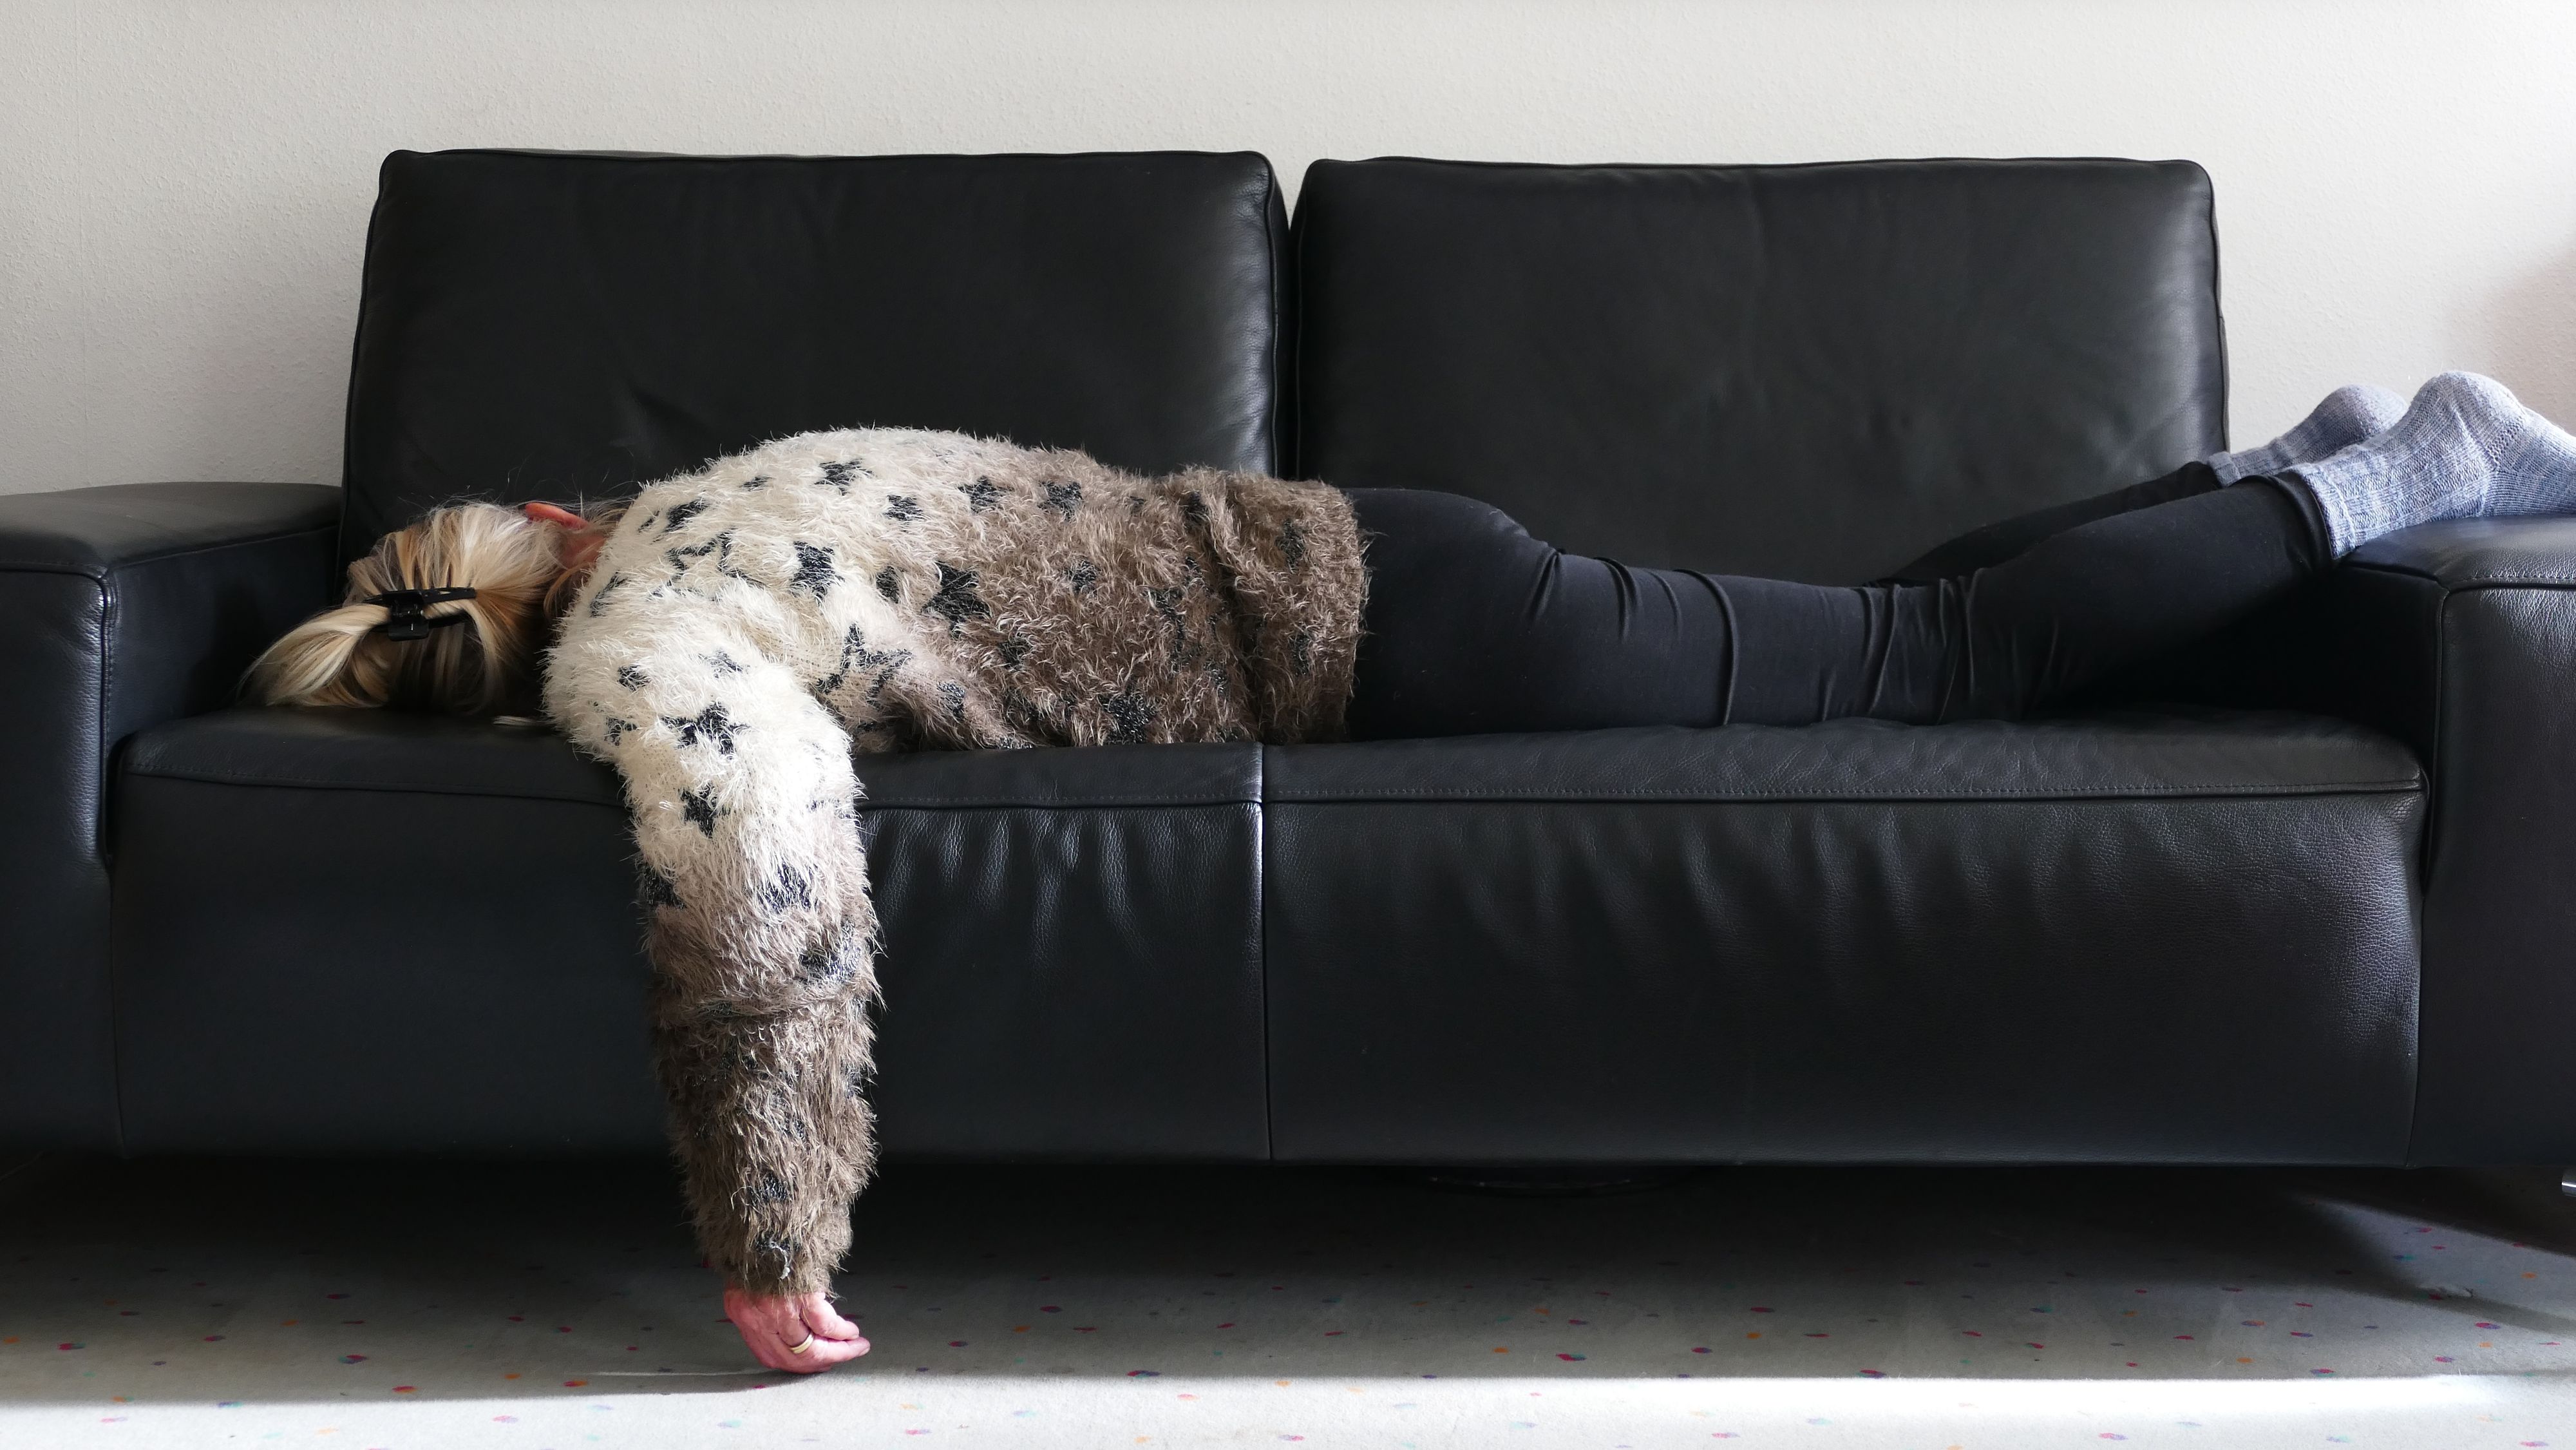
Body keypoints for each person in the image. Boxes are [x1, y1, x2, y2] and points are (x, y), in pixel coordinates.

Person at [245, 370, 2576, 1372]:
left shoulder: (645, 626)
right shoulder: (700, 506)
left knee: (1916, 651)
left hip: (1400, 641)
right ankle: (2310, 464)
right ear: (527, 536)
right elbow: (787, 810)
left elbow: (751, 851)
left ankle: (2401, 468)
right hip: (1390, 582)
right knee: (1898, 639)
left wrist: (770, 1234)